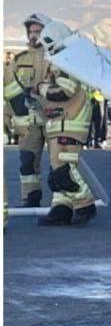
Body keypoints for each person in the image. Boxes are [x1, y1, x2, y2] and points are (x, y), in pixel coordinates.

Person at [37, 65, 97, 225]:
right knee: (57, 169)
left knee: (64, 170)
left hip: (70, 125)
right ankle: (61, 209)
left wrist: (41, 88)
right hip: (61, 124)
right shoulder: (62, 63)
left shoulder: (68, 64)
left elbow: (64, 91)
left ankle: (85, 204)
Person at [3, 13, 50, 206]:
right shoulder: (19, 60)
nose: (34, 35)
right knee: (27, 162)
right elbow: (9, 91)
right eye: (31, 32)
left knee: (60, 165)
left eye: (38, 31)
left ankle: (64, 203)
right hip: (28, 125)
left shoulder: (56, 59)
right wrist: (6, 117)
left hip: (53, 120)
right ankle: (31, 198)